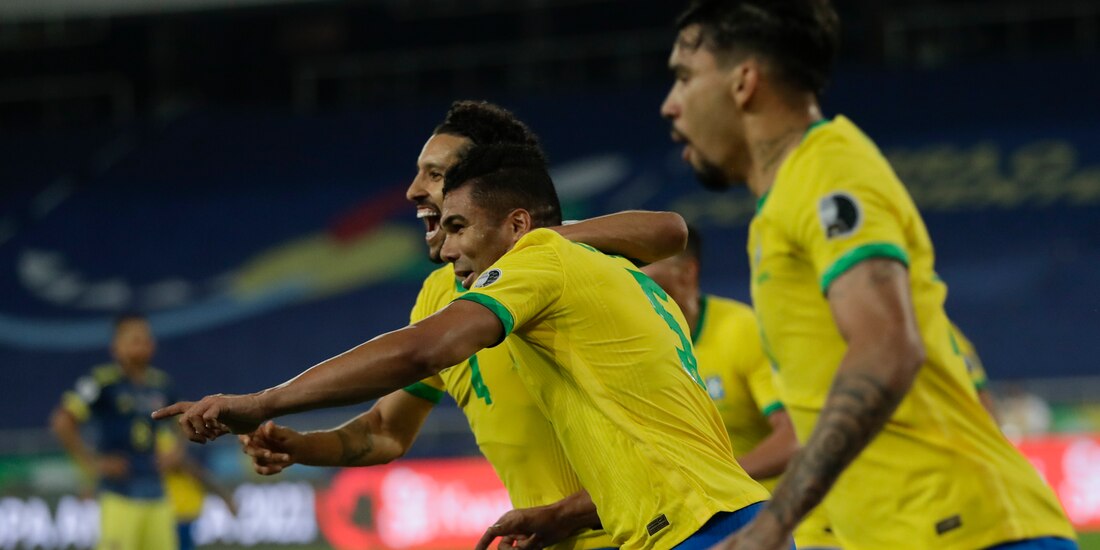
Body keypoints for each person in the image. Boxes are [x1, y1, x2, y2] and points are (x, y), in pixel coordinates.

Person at [155, 143, 773, 549]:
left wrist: (265, 401)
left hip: (696, 530)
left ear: (517, 224)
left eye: (457, 223)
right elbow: (647, 439)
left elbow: (422, 351)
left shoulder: (542, 262)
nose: (445, 245)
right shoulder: (624, 283)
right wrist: (561, 513)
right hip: (691, 522)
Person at [659, 1, 1077, 549]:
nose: (670, 106)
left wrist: (774, 522)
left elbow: (887, 347)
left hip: (969, 531)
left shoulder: (826, 168)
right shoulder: (779, 208)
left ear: (744, 82)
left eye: (685, 78)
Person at [235, 100, 688, 550]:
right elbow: (386, 431)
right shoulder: (439, 296)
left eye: (434, 174)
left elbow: (668, 231)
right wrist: (301, 447)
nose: (413, 190)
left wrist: (537, 243)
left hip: (639, 532)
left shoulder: (562, 261)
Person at [641, 226, 838, 550]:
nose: (639, 285)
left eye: (648, 273)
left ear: (688, 272)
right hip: (703, 528)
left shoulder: (740, 330)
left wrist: (714, 478)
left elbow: (795, 436)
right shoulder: (642, 351)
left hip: (795, 528)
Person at [50, 313, 179, 550]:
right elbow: (62, 421)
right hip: (120, 496)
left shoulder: (162, 384)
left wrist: (176, 451)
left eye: (145, 339)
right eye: (133, 339)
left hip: (157, 494)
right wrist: (92, 463)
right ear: (116, 347)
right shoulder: (100, 382)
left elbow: (182, 423)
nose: (142, 345)